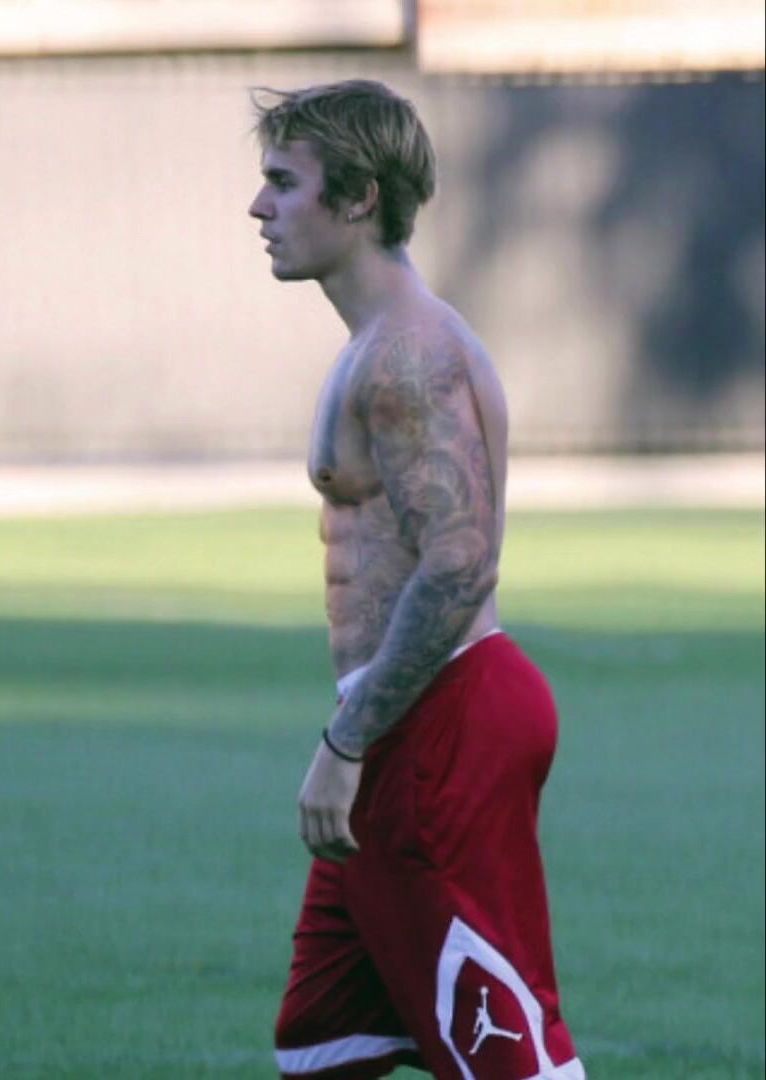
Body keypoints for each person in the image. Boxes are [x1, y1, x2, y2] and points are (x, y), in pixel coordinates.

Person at [249, 79, 584, 1080]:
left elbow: (459, 559)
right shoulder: (380, 345)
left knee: (503, 1057)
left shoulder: (406, 356)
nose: (259, 207)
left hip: (438, 725)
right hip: (415, 716)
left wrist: (346, 740)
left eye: (283, 183)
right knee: (322, 1044)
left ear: (358, 196)